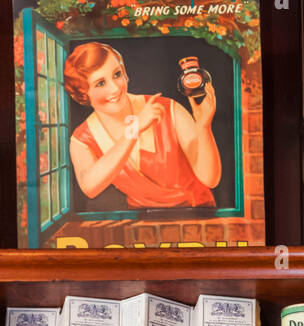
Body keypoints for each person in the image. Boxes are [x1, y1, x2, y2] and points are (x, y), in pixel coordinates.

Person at [63, 43, 220, 210]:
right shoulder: (82, 139)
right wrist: (134, 130)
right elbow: (90, 188)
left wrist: (203, 127)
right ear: (83, 94)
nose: (115, 88)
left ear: (126, 74)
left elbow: (210, 178)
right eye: (100, 83)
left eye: (117, 74)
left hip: (196, 213)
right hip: (142, 221)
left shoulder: (168, 108)